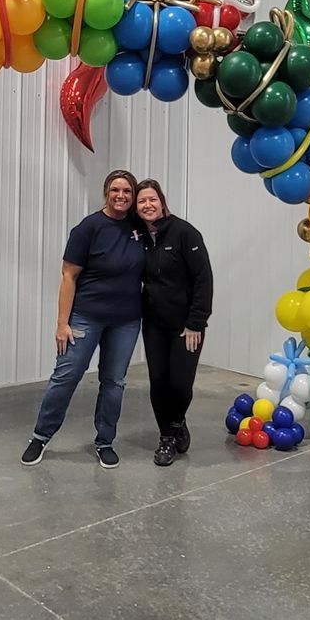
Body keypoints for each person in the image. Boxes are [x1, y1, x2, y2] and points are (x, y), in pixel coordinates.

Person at [22, 171, 146, 469]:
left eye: (127, 191)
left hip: (126, 321)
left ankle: (105, 441)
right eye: (115, 190)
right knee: (66, 376)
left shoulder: (139, 227)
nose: (121, 196)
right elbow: (68, 275)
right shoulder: (89, 228)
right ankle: (40, 436)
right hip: (85, 318)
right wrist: (62, 323)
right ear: (106, 192)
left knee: (114, 382)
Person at [133, 179, 214, 467]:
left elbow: (203, 279)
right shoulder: (140, 237)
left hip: (186, 325)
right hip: (154, 324)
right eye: (142, 201)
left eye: (152, 199)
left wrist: (196, 322)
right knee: (158, 382)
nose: (147, 205)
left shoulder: (185, 233)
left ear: (162, 202)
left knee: (180, 384)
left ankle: (178, 421)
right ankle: (166, 437)